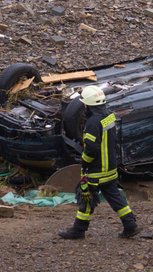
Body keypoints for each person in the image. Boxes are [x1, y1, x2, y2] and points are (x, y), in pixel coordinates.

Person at [59, 86, 141, 239]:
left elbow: (91, 149)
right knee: (114, 196)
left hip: (97, 171)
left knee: (86, 197)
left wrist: (85, 163)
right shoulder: (109, 116)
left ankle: (78, 229)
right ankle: (130, 225)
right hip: (110, 168)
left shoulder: (92, 122)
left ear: (87, 105)